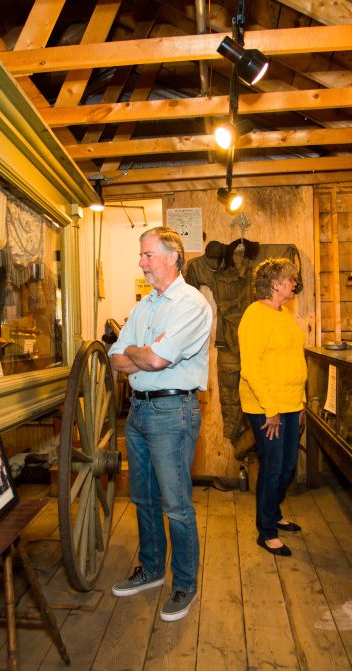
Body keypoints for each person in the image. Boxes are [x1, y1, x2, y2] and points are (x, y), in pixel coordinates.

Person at [108, 227, 212, 622]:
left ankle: (184, 583)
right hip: (137, 411)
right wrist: (143, 351)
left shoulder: (191, 304)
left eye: (148, 255)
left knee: (176, 505)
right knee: (143, 498)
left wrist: (140, 353)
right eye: (142, 255)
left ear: (172, 258)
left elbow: (157, 360)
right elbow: (116, 357)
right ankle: (152, 570)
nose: (141, 263)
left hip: (172, 412)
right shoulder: (145, 306)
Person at [238, 258, 307, 556]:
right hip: (266, 407)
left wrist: (300, 403)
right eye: (290, 279)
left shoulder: (283, 314)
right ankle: (266, 531)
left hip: (290, 403)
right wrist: (271, 409)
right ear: (275, 284)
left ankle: (274, 512)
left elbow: (294, 360)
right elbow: (251, 369)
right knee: (273, 467)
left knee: (288, 465)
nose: (294, 283)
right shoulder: (254, 316)